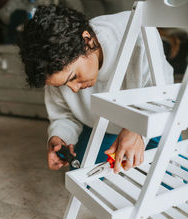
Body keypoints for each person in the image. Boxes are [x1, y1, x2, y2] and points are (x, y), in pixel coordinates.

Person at [18, 4, 173, 173]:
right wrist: (59, 136)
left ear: (86, 41)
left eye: (73, 78)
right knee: (83, 175)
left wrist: (137, 130)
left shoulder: (139, 35)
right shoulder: (52, 66)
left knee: (172, 176)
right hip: (100, 125)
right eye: (63, 85)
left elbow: (163, 96)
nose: (74, 90)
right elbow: (64, 114)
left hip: (152, 117)